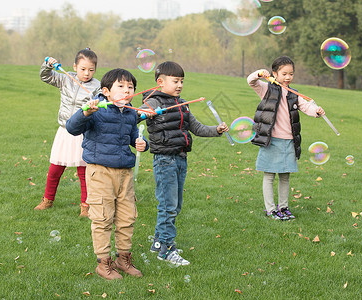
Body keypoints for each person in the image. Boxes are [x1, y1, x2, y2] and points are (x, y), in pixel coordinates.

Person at [138, 61, 229, 266]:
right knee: (168, 206)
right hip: (164, 161)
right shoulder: (153, 102)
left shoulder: (182, 104)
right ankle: (167, 250)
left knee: (175, 206)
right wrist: (142, 113)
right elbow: (134, 116)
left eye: (182, 81)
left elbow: (196, 127)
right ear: (160, 82)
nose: (179, 85)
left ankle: (158, 243)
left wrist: (216, 130)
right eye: (175, 81)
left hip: (180, 159)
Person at [66, 68, 148, 280]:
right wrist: (85, 112)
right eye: (120, 86)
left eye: (130, 87)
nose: (127, 90)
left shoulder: (130, 113)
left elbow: (131, 137)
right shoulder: (97, 110)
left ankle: (123, 258)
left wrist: (141, 144)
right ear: (106, 91)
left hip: (125, 173)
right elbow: (72, 128)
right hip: (100, 172)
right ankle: (103, 263)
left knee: (127, 217)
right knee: (102, 217)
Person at [248, 56, 325, 221]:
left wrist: (316, 111)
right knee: (269, 175)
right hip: (271, 139)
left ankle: (283, 207)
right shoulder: (266, 90)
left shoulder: (293, 94)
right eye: (284, 73)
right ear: (274, 73)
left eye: (291, 74)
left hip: (289, 140)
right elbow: (251, 82)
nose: (288, 77)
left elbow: (306, 106)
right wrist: (259, 74)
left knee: (285, 176)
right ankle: (270, 209)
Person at [35, 48, 100, 218]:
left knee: (83, 170)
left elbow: (104, 102)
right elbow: (45, 76)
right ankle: (47, 199)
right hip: (65, 131)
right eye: (83, 69)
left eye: (91, 70)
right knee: (55, 168)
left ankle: (85, 205)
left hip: (83, 132)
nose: (87, 73)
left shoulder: (97, 86)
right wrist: (47, 65)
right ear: (75, 66)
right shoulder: (66, 78)